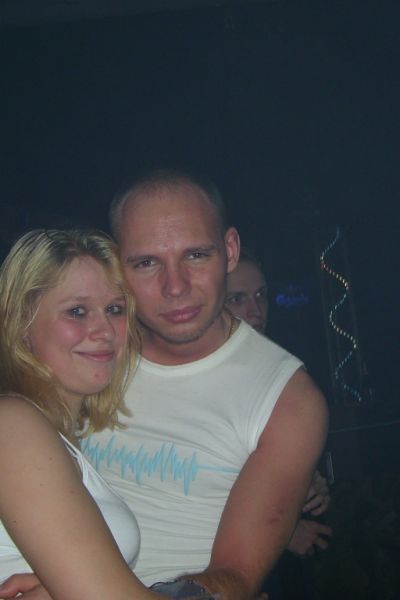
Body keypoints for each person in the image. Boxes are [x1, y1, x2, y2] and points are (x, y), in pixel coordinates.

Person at [1, 169, 328, 600]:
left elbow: (235, 577)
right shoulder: (94, 357)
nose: (175, 287)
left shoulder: (287, 401)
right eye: (147, 262)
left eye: (196, 255)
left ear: (230, 250)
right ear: (119, 265)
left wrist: (76, 586)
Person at [0, 229, 175, 600]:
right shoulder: (12, 423)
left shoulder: (58, 436)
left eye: (115, 309)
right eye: (77, 311)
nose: (105, 330)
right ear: (23, 324)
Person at [226, 248, 332, 559]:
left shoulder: (279, 371)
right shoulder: (199, 377)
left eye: (261, 295)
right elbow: (205, 484)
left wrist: (306, 481)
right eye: (238, 299)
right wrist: (284, 533)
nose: (255, 310)